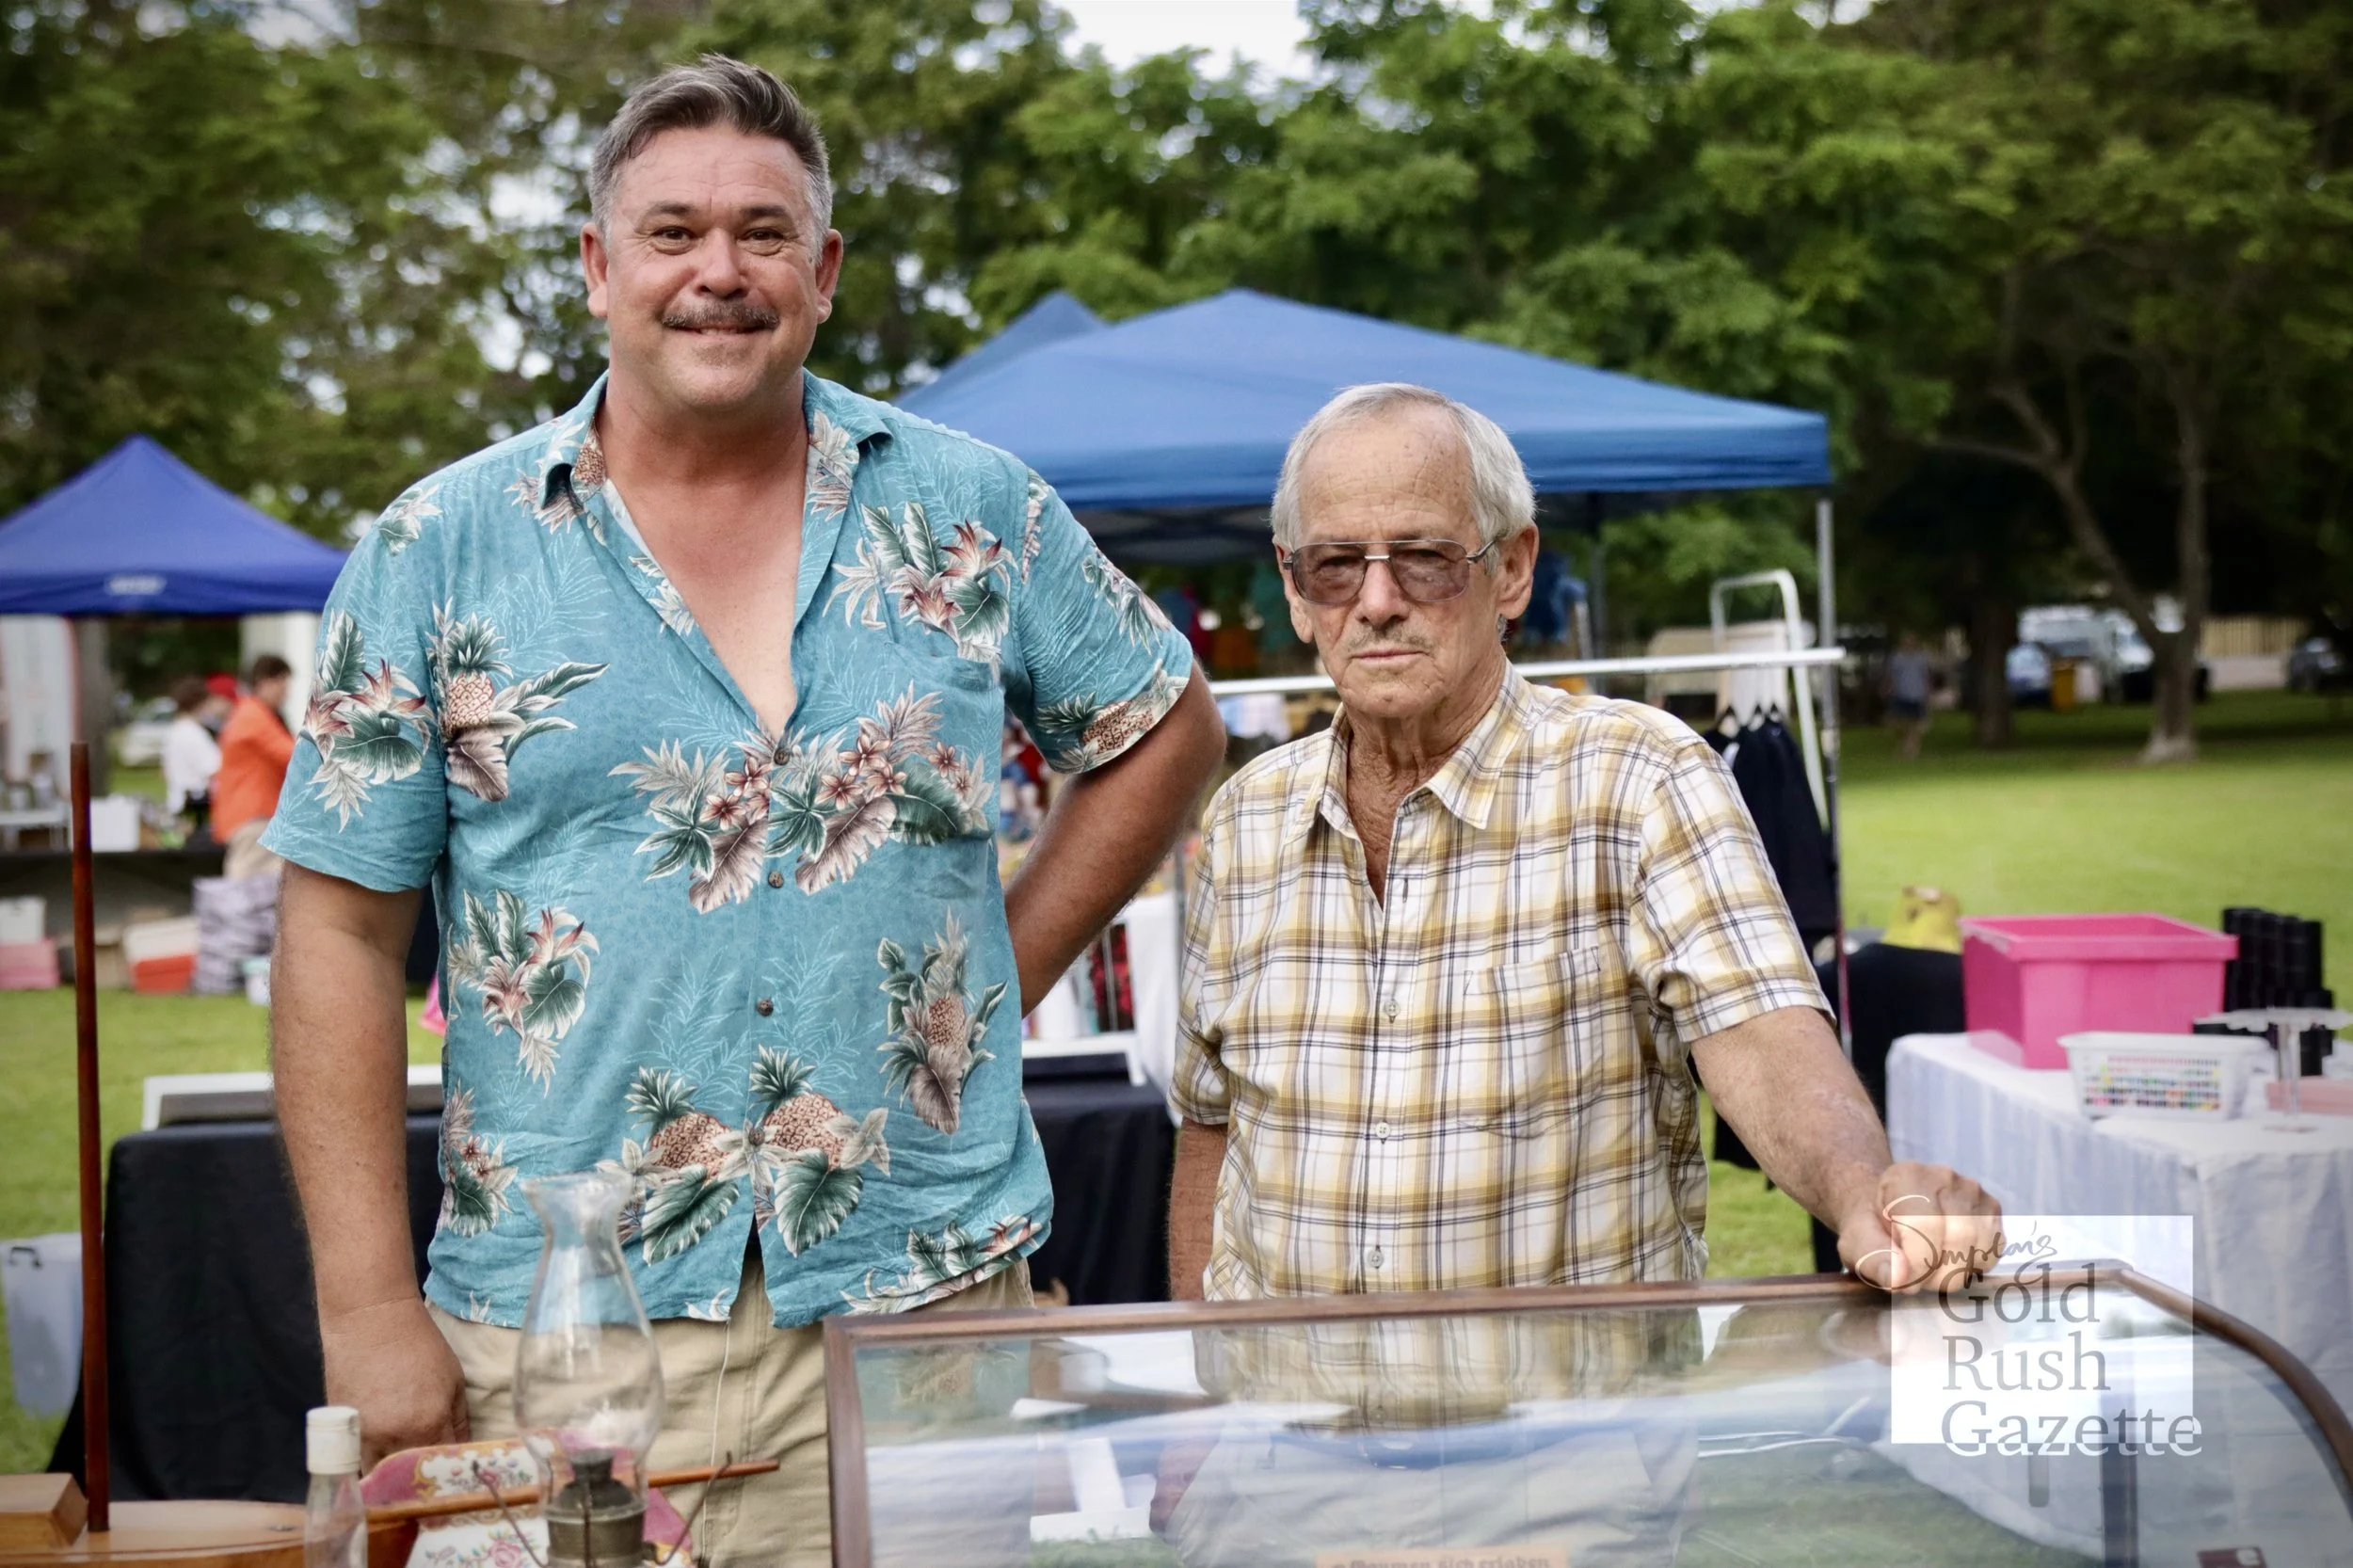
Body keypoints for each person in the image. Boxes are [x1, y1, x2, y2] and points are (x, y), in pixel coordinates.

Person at [262, 56, 1223, 1568]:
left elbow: (1163, 722)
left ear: (823, 273)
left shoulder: (972, 509)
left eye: (763, 233)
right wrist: (367, 1303)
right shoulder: (440, 547)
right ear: (598, 268)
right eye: (672, 232)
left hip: (924, 1309)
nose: (720, 271)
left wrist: (991, 978)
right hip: (568, 1325)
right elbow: (335, 926)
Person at [1168, 383, 1999, 1309]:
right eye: (1333, 565)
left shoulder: (1640, 780)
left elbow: (1762, 1034)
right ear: (1292, 587)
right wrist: (1201, 1368)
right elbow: (1211, 1124)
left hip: (1566, 1405)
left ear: (1512, 569)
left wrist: (1864, 1194)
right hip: (1286, 1400)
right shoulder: (1244, 819)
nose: (1376, 601)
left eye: (1425, 559)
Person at [211, 653, 296, 879]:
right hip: (254, 816)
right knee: (247, 889)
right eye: (281, 683)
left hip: (252, 815)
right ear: (263, 681)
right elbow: (294, 756)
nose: (285, 692)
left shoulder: (251, 713)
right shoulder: (254, 717)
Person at [160, 675, 224, 836]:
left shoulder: (174, 731)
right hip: (196, 811)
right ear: (199, 704)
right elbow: (215, 770)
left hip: (177, 805)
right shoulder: (194, 734)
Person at [1887, 630, 1933, 759]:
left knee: (1918, 724)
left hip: (1918, 695)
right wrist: (1889, 689)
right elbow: (1891, 676)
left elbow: (1926, 677)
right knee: (1899, 723)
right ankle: (1904, 745)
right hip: (1901, 694)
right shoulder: (1896, 658)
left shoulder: (1921, 658)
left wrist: (1928, 693)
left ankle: (1912, 749)